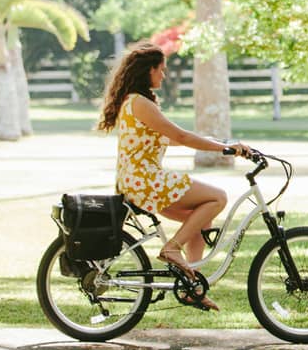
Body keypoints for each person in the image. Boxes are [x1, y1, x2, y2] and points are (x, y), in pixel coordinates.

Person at [97, 42, 253, 311]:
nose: (164, 75)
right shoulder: (140, 103)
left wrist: (225, 142)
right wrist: (226, 149)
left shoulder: (134, 102)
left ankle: (192, 286)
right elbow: (181, 135)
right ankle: (172, 250)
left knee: (201, 222)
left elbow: (173, 139)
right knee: (217, 197)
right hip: (145, 180)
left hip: (138, 182)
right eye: (161, 70)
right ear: (148, 71)